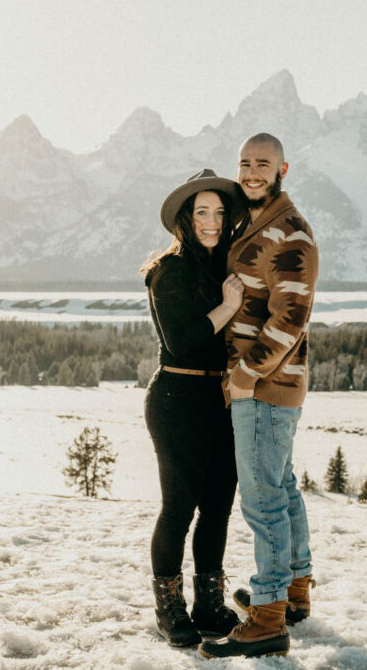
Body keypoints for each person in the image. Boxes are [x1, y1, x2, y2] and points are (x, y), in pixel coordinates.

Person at [200, 133, 319, 659]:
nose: (251, 172)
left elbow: (291, 316)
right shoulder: (258, 224)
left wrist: (246, 374)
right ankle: (293, 592)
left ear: (282, 169)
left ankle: (267, 618)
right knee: (283, 487)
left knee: (262, 498)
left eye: (262, 164)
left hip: (266, 386)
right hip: (273, 386)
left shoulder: (289, 234)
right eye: (245, 163)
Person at [140, 169, 246, 648]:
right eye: (202, 211)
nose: (212, 220)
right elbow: (180, 343)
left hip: (220, 399)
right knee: (179, 508)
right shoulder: (169, 270)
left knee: (219, 509)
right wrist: (227, 307)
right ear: (185, 218)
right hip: (177, 399)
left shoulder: (224, 263)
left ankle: (208, 604)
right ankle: (169, 608)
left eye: (220, 212)